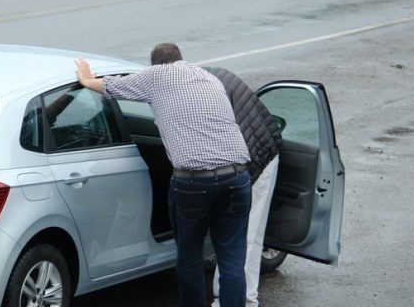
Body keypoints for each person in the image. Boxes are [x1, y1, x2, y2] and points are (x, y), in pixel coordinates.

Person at [75, 43, 252, 307]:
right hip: (237, 177)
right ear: (180, 58)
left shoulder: (157, 75)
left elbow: (110, 86)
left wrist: (86, 77)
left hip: (194, 182)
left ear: (155, 64)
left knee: (190, 257)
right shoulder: (209, 77)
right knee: (232, 259)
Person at [203, 67, 284, 307]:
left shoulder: (186, 91)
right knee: (250, 237)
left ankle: (226, 301)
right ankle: (247, 300)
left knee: (242, 237)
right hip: (260, 145)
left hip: (256, 157)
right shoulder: (202, 75)